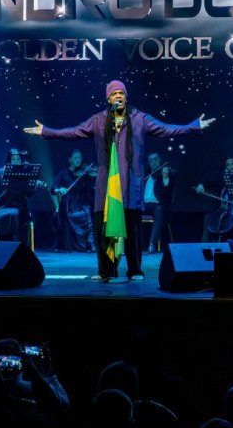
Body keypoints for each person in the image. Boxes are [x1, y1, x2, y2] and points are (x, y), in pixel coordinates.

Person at [23, 79, 213, 281]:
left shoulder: (140, 118)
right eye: (114, 94)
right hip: (106, 184)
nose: (118, 96)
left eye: (121, 93)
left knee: (132, 228)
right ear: (109, 99)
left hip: (131, 183)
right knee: (104, 227)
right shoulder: (99, 120)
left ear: (126, 97)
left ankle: (135, 270)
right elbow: (73, 132)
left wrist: (193, 126)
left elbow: (167, 129)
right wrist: (46, 131)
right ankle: (106, 271)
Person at [0, 148, 46, 242]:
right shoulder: (1, 172)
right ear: (9, 160)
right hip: (3, 206)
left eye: (18, 159)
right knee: (8, 215)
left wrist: (34, 186)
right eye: (13, 159)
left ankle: (14, 241)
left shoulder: (25, 174)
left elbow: (29, 194)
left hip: (21, 207)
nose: (16, 162)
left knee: (15, 214)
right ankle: (7, 241)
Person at [195, 157, 233, 243]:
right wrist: (201, 184)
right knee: (207, 218)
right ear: (226, 167)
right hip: (224, 209)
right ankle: (206, 245)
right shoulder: (224, 178)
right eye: (228, 165)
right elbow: (210, 182)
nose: (231, 167)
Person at [53, 148, 95, 252]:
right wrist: (59, 189)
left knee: (88, 210)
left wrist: (88, 175)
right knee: (70, 212)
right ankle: (74, 244)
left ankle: (88, 244)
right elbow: (53, 187)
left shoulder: (85, 173)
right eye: (75, 158)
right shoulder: (63, 172)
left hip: (82, 201)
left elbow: (89, 189)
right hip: (69, 203)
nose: (78, 160)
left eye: (80, 157)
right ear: (70, 160)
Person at [143, 153, 174, 254]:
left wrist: (165, 177)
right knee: (130, 210)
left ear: (160, 160)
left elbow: (166, 190)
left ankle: (152, 244)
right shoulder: (145, 176)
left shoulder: (164, 174)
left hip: (157, 205)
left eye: (155, 159)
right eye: (151, 160)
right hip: (144, 205)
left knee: (159, 209)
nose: (153, 162)